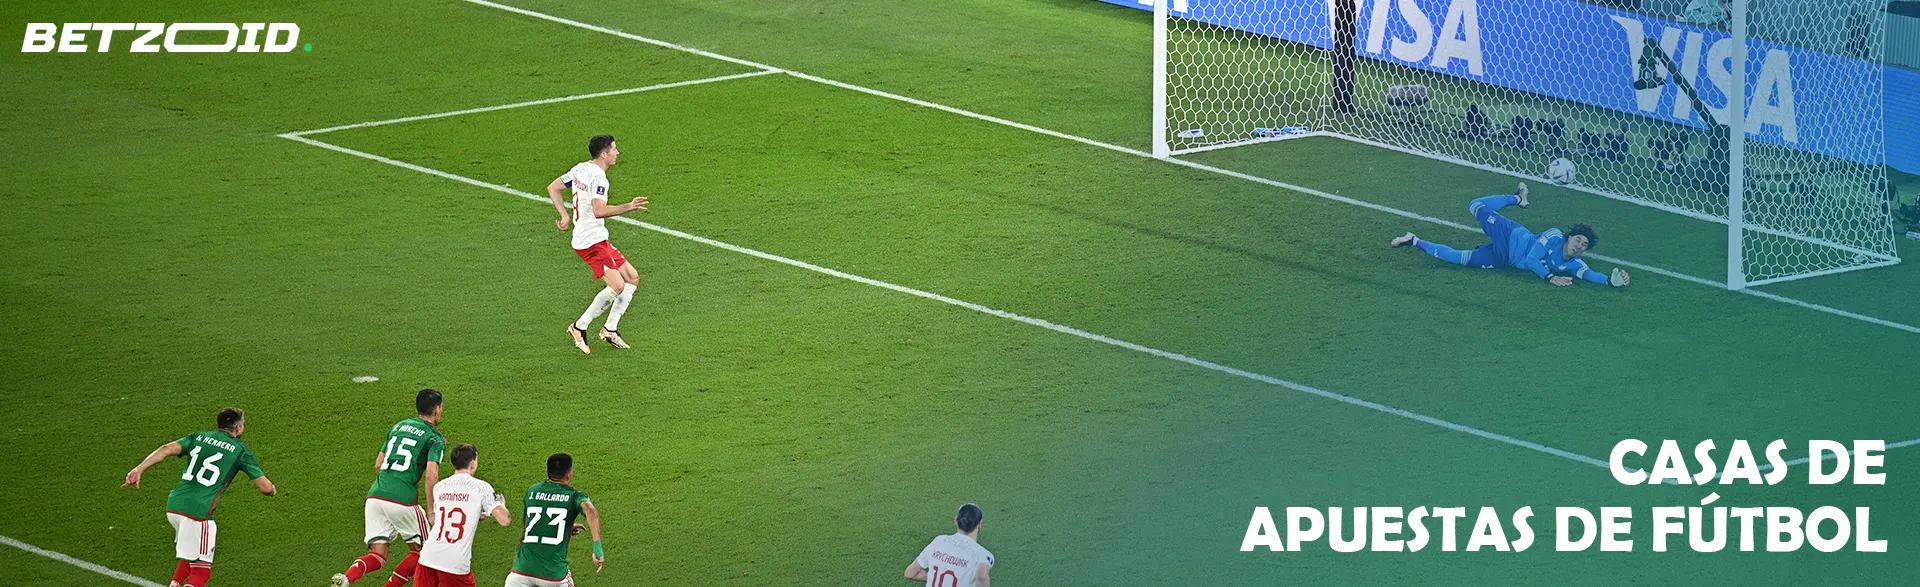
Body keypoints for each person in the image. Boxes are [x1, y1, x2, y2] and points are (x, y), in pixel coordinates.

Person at [123, 408, 277, 587]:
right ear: (239, 428)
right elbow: (265, 488)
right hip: (198, 513)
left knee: (189, 558)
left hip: (174, 506)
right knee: (201, 573)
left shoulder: (198, 437)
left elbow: (166, 449)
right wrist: (272, 490)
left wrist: (138, 469)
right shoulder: (240, 451)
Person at [1391, 183, 1630, 287]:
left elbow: (1588, 274)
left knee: (1459, 259)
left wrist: (1610, 281)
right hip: (1511, 235)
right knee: (1475, 205)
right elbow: (1532, 259)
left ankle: (1413, 240)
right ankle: (1518, 198)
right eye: (1578, 239)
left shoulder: (1573, 263)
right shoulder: (1554, 235)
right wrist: (1549, 278)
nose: (1579, 245)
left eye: (1584, 245)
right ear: (1569, 237)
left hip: (1504, 259)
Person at [333, 389, 449, 587]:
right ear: (437, 410)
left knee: (377, 555)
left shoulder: (398, 426)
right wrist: (431, 510)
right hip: (402, 499)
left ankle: (346, 578)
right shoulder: (435, 439)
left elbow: (379, 465)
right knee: (426, 550)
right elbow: (432, 475)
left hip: (375, 497)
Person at [547, 134, 649, 354]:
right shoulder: (599, 178)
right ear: (604, 154)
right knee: (617, 286)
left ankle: (610, 329)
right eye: (614, 149)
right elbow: (599, 210)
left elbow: (553, 188)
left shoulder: (580, 169)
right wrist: (627, 207)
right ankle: (579, 327)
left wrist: (564, 216)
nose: (617, 152)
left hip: (595, 237)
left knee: (632, 277)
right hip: (590, 242)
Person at [415, 444, 511, 587]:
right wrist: (501, 505)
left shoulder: (440, 487)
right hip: (455, 562)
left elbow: (445, 518)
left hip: (428, 557)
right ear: (473, 463)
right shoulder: (481, 487)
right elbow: (505, 520)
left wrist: (476, 515)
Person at [507, 454, 604, 587]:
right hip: (553, 576)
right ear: (570, 474)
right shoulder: (573, 496)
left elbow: (531, 526)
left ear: (547, 470)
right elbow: (591, 511)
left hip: (520, 573)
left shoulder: (532, 491)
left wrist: (566, 526)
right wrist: (597, 546)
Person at [905, 503, 993, 587]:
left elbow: (910, 573)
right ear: (980, 524)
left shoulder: (938, 541)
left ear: (956, 520)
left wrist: (937, 580)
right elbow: (981, 578)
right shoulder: (983, 555)